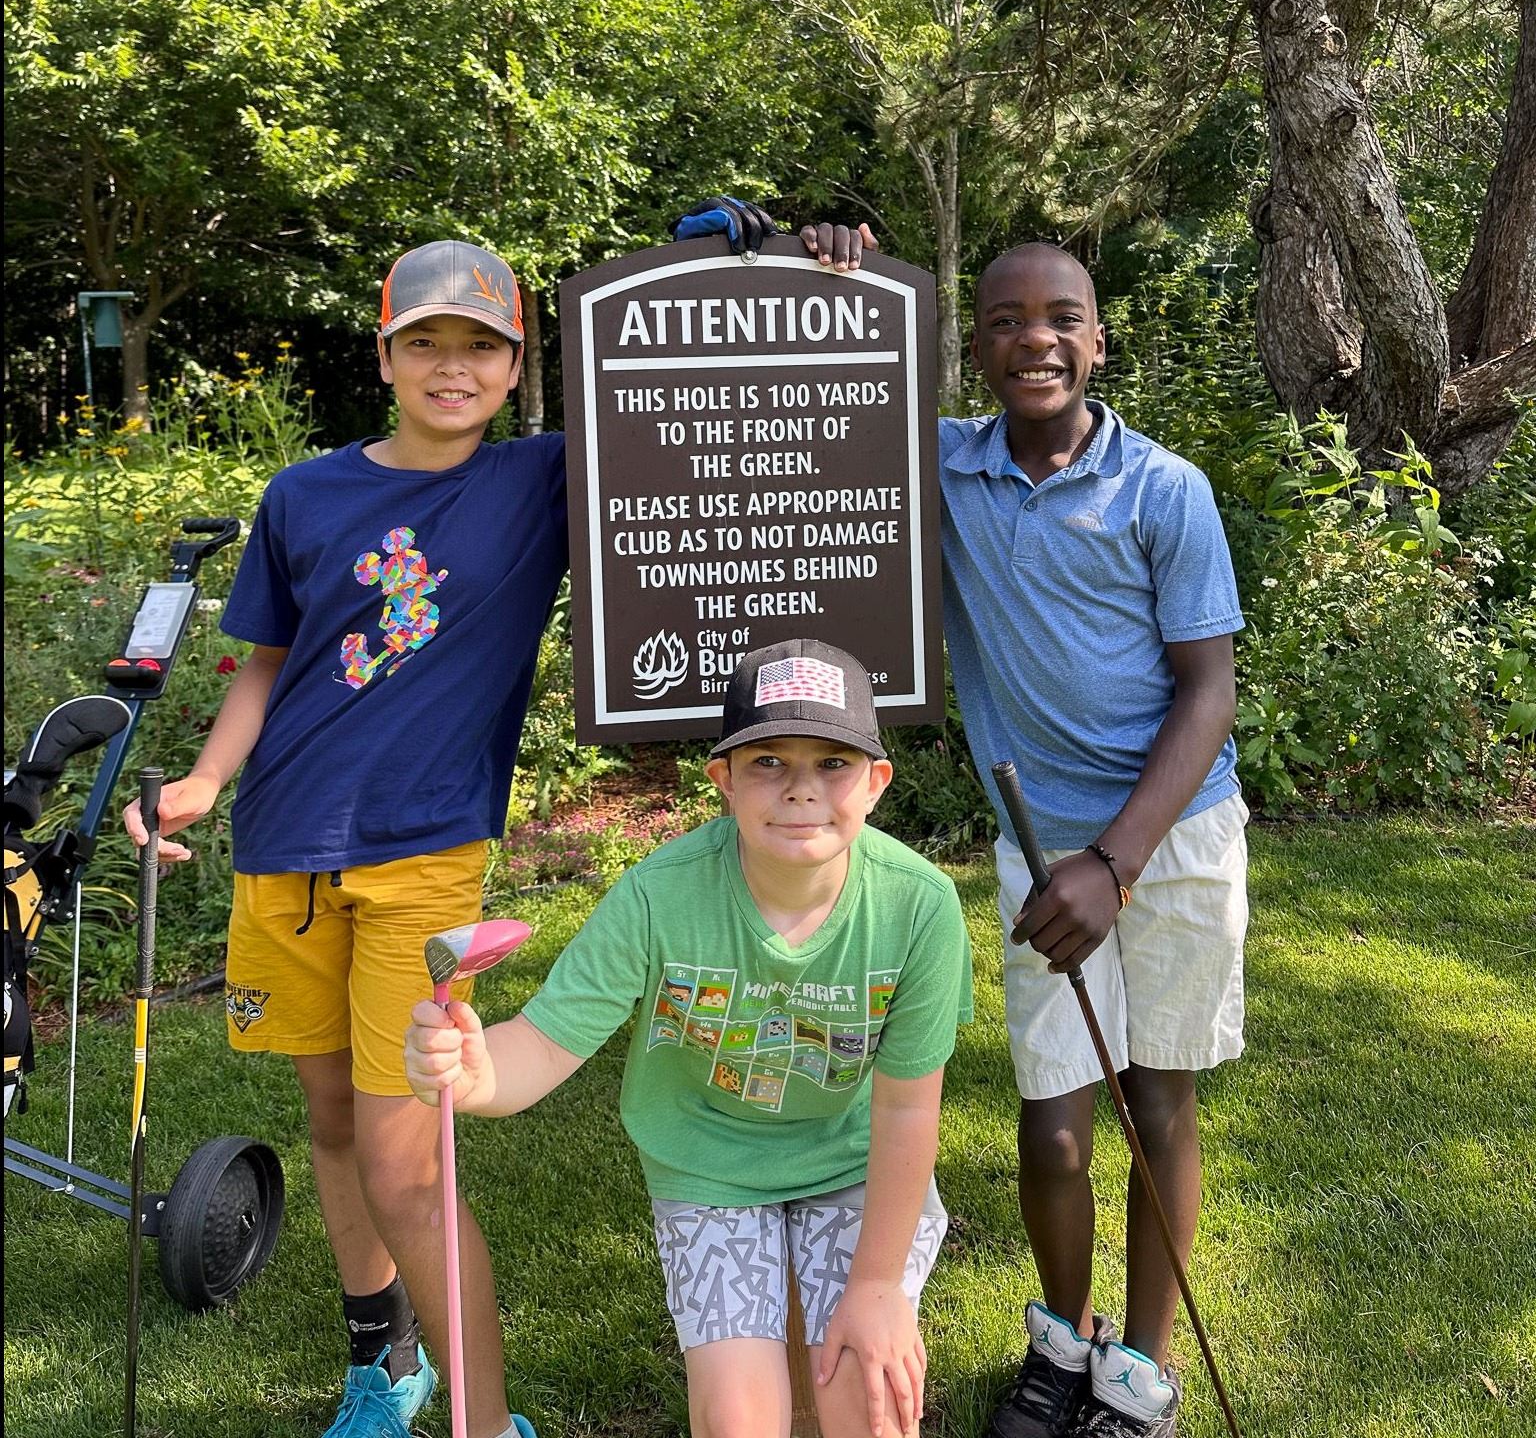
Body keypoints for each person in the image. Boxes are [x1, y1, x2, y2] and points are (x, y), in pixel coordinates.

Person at [121, 214, 882, 1438]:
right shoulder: (303, 495)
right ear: (383, 355)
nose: (452, 368)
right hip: (280, 843)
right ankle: (386, 1364)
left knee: (407, 1164)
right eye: (425, 342)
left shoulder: (539, 478)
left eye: (481, 345)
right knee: (333, 1126)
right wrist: (206, 785)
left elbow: (706, 406)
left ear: (520, 365)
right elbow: (264, 666)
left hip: (424, 853)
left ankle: (486, 1422)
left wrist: (784, 261)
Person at [404, 638, 972, 1438]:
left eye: (833, 763)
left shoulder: (920, 906)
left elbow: (910, 1112)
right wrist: (467, 1070)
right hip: (706, 1169)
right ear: (724, 780)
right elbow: (537, 1044)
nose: (802, 789)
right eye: (768, 761)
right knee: (739, 1421)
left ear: (875, 782)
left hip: (856, 1165)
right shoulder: (656, 896)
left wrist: (878, 1287)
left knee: (870, 1406)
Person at [941, 243, 1248, 1438]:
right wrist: (802, 259)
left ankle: (1141, 1375)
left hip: (1171, 839)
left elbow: (1208, 690)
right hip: (1040, 843)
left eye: (1063, 318)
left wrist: (1117, 864)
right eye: (1008, 320)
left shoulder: (1164, 489)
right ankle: (1063, 1346)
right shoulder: (943, 473)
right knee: (1057, 1127)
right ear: (976, 346)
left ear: (1099, 340)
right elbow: (819, 413)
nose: (1037, 340)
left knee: (1156, 1100)